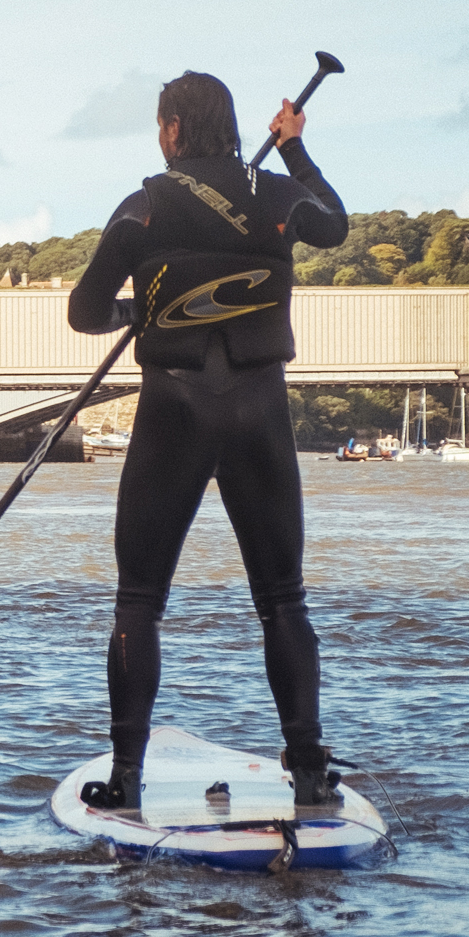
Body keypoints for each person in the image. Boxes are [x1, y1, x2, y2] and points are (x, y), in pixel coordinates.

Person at [67, 72, 349, 810]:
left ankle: (126, 774)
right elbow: (336, 224)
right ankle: (311, 769)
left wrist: (141, 306)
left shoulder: (143, 208)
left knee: (139, 599)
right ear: (232, 128)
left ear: (171, 130)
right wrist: (295, 153)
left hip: (173, 412)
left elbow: (83, 310)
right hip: (260, 412)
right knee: (283, 599)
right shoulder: (280, 198)